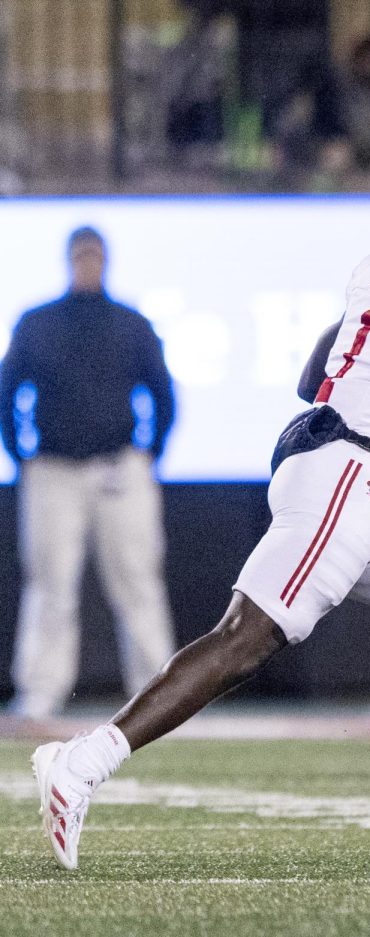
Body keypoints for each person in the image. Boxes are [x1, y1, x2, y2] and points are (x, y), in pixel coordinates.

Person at [30, 158, 370, 871]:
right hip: (352, 475)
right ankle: (82, 760)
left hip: (330, 461)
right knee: (248, 637)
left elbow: (316, 379)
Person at [1, 226, 177, 721]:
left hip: (119, 468)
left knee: (139, 582)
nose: (87, 264)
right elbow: (7, 390)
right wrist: (22, 456)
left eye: (94, 256)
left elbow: (162, 393)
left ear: (105, 261)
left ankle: (158, 694)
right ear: (68, 261)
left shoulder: (130, 323)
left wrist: (148, 453)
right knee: (50, 586)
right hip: (54, 470)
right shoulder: (38, 323)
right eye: (80, 256)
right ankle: (39, 694)